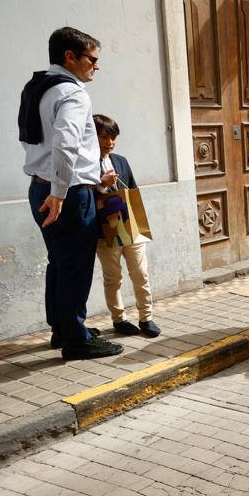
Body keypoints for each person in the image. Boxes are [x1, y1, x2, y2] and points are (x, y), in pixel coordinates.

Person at [20, 27, 123, 359]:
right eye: (92, 59)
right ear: (70, 56)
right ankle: (77, 339)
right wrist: (61, 192)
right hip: (67, 194)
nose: (96, 66)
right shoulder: (73, 93)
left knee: (59, 263)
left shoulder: (36, 87)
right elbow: (66, 143)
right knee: (76, 266)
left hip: (39, 189)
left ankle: (62, 329)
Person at [92, 114, 161, 338]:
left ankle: (146, 318)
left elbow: (132, 189)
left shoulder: (121, 160)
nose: (109, 143)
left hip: (130, 226)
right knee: (113, 278)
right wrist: (102, 185)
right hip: (104, 230)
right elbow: (83, 198)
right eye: (104, 137)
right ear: (93, 136)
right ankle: (119, 320)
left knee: (141, 274)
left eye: (113, 138)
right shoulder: (86, 163)